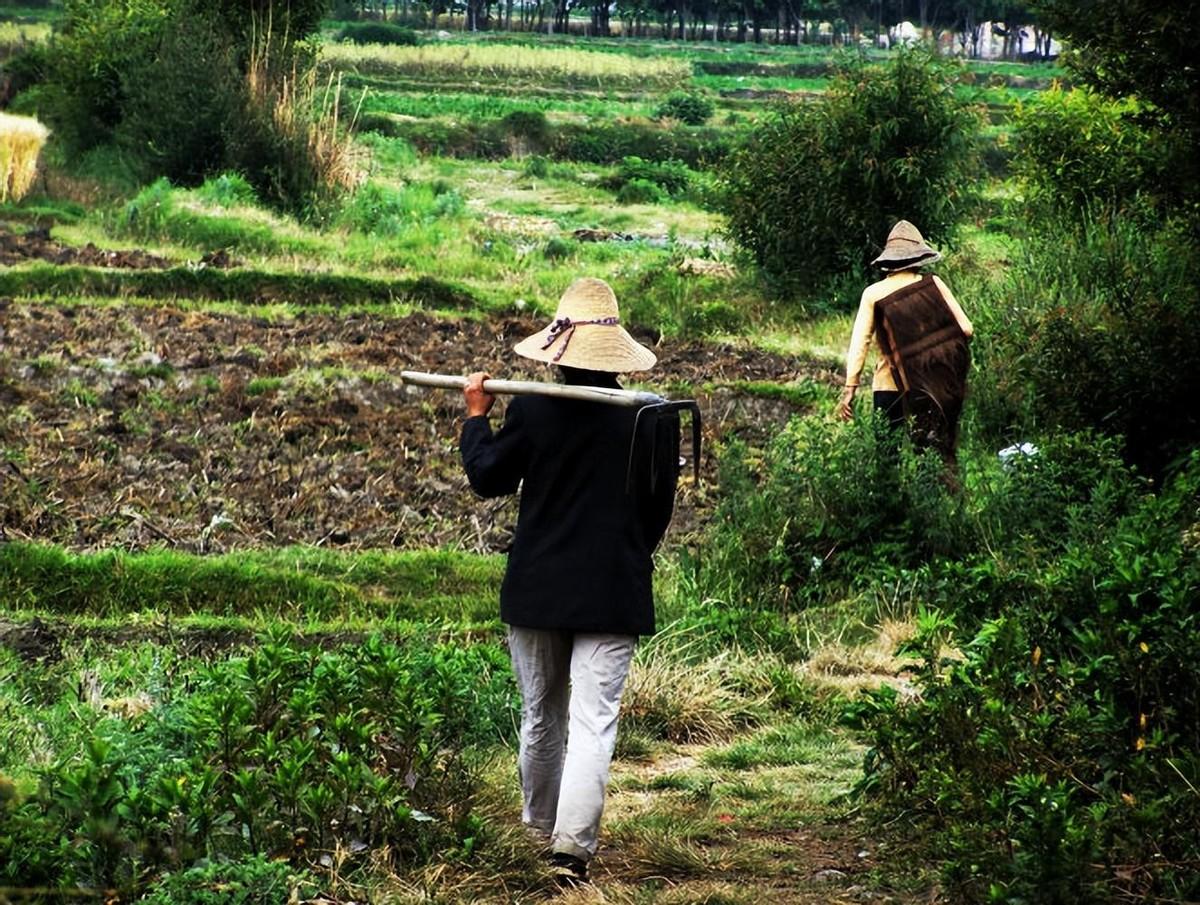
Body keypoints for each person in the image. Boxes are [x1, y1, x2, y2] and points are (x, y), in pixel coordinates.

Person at [459, 277, 680, 887]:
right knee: (592, 722)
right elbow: (658, 508)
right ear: (614, 356)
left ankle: (536, 831)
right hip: (613, 587)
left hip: (539, 587)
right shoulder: (650, 417)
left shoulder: (533, 408)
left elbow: (487, 476)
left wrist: (476, 418)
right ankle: (570, 851)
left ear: (559, 354)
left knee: (541, 715)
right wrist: (628, 554)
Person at [838, 220, 973, 464]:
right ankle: (930, 488)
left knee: (887, 457)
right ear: (918, 257)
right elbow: (966, 329)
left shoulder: (873, 293)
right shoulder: (932, 285)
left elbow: (860, 343)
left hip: (888, 386)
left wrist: (850, 388)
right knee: (929, 456)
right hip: (927, 385)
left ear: (889, 260)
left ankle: (891, 490)